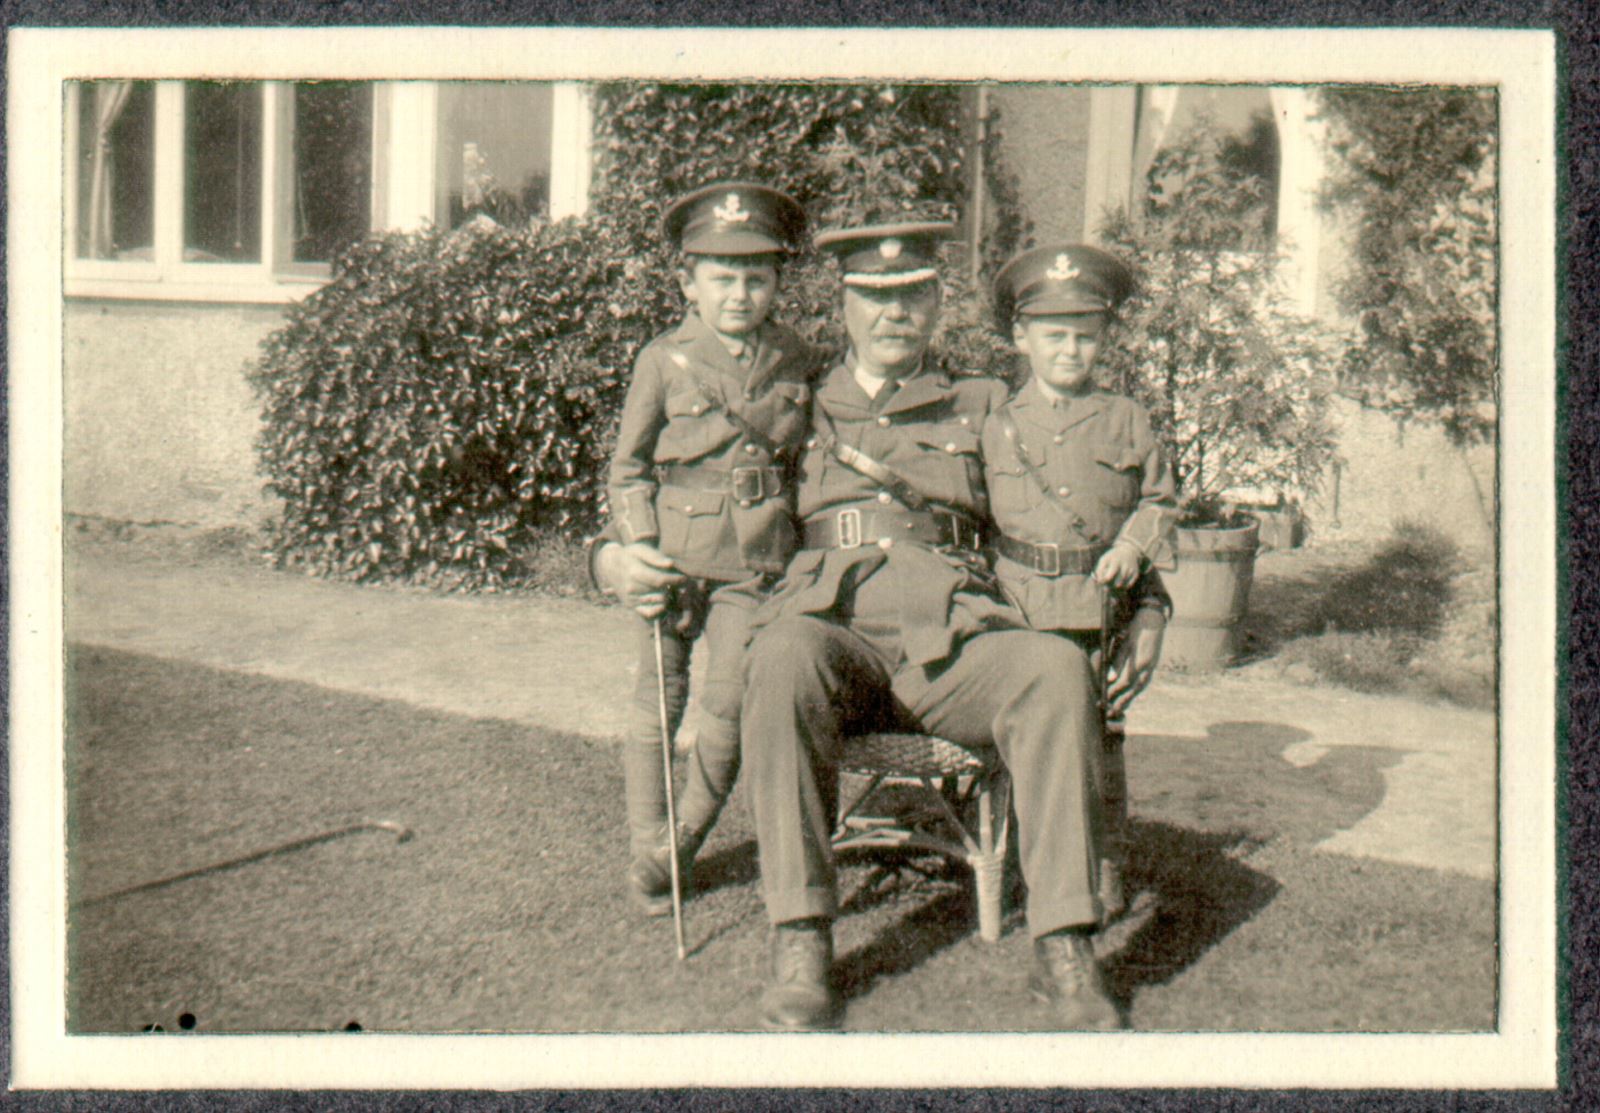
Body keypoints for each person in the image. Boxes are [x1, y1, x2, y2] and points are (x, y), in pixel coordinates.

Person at [737, 220, 1129, 1032]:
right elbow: (692, 471)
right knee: (779, 654)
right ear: (841, 304)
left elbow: (1085, 505)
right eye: (874, 297)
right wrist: (617, 555)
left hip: (952, 646)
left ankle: (1064, 945)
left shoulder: (985, 403)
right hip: (835, 638)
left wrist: (1149, 603)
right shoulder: (794, 398)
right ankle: (802, 938)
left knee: (1054, 668)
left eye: (913, 295)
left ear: (939, 303)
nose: (894, 314)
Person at [603, 181, 815, 917]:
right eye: (723, 279)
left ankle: (679, 845)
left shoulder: (797, 358)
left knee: (727, 706)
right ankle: (644, 839)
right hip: (674, 556)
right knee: (657, 705)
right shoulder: (664, 360)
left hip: (753, 564)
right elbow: (627, 468)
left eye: (757, 278)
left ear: (778, 282)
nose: (740, 295)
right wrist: (638, 545)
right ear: (688, 282)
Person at [983, 242, 1178, 915]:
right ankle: (1017, 863)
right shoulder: (995, 425)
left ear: (1105, 341)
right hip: (1017, 609)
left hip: (1097, 609)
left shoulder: (1127, 419)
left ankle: (1102, 862)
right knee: (1021, 745)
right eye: (1055, 336)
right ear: (1021, 337)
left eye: (1087, 337)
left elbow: (1160, 501)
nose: (1071, 351)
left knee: (1099, 740)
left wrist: (1132, 545)